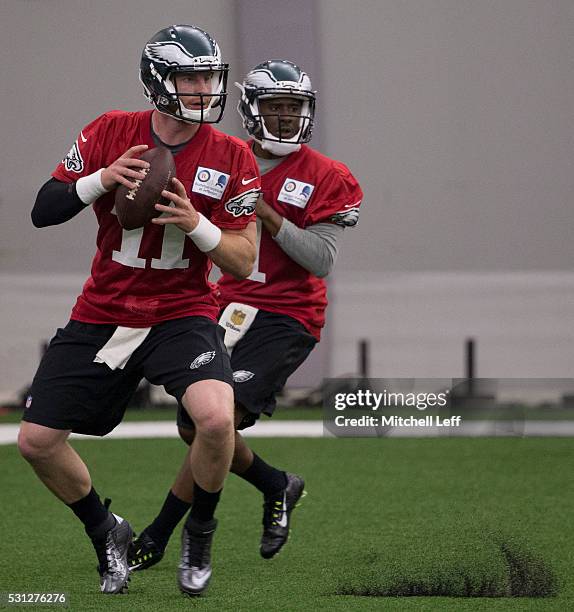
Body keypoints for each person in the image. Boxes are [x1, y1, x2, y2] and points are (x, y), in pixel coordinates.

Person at [17, 25, 259, 597]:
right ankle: (106, 532)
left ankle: (199, 531)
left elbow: (244, 261)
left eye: (210, 77)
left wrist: (197, 225)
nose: (204, 89)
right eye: (191, 77)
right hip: (104, 308)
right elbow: (43, 210)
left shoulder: (232, 154)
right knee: (35, 441)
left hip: (182, 311)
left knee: (217, 418)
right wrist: (101, 180)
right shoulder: (110, 131)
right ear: (158, 80)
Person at [129, 60, 363, 569]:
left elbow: (321, 260)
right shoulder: (224, 157)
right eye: (275, 106)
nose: (284, 117)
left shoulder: (327, 175)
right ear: (251, 111)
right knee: (196, 430)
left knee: (221, 420)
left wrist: (268, 214)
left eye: (293, 107)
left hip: (287, 314)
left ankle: (159, 533)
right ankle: (277, 484)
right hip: (224, 306)